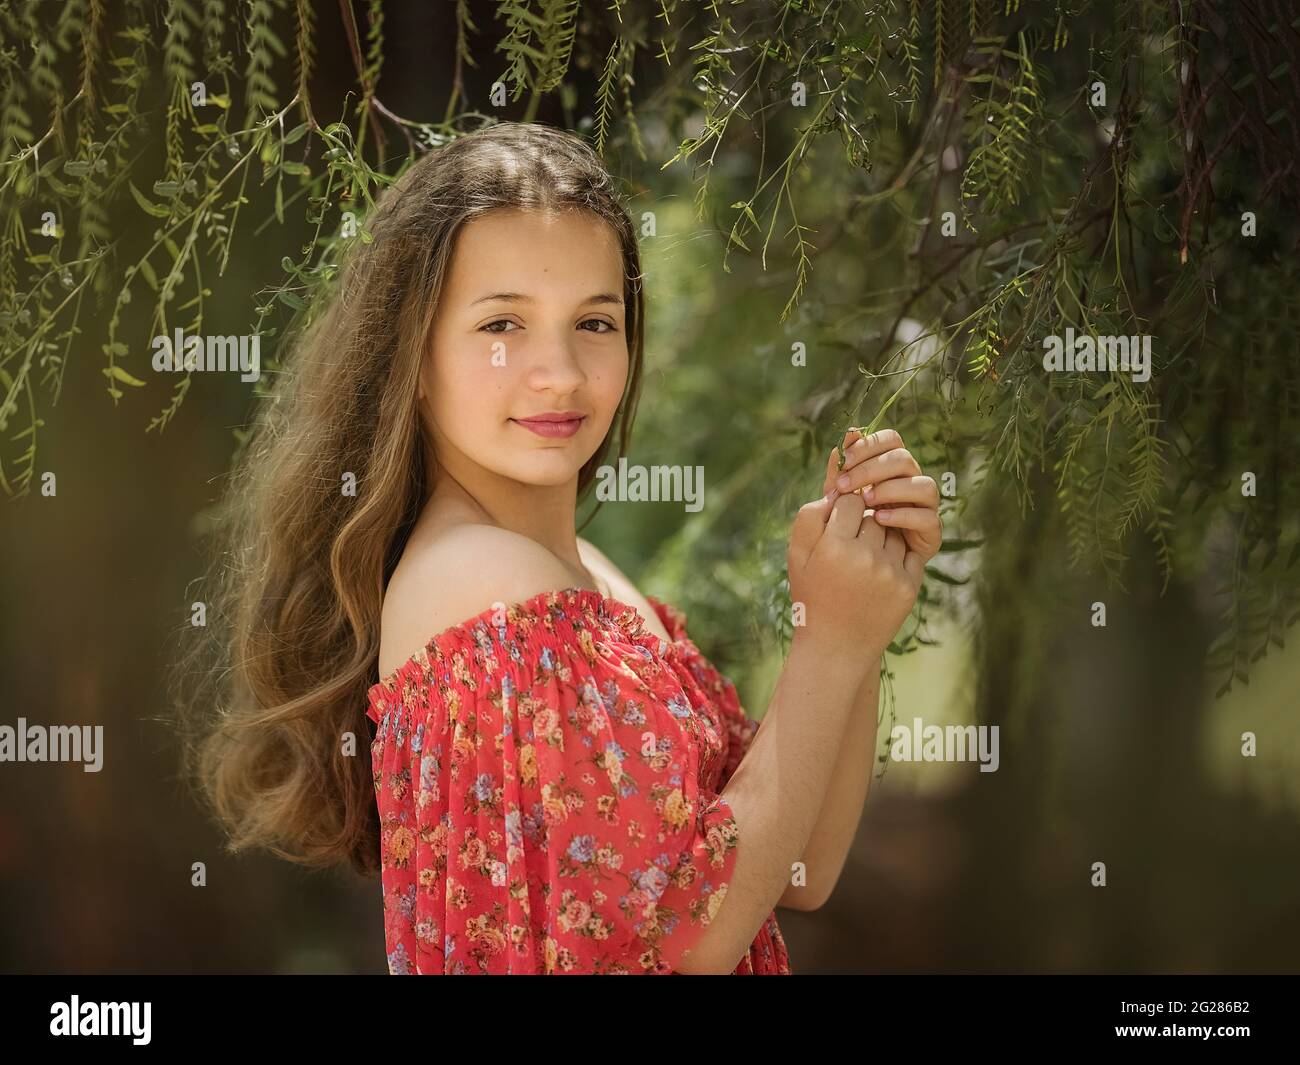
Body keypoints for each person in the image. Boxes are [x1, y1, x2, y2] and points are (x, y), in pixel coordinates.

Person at [177, 121, 942, 975]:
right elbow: (689, 940)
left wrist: (852, 619)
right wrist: (832, 637)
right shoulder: (483, 585)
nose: (561, 373)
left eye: (595, 322)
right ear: (414, 354)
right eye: (503, 322)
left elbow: (799, 871)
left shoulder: (585, 577)